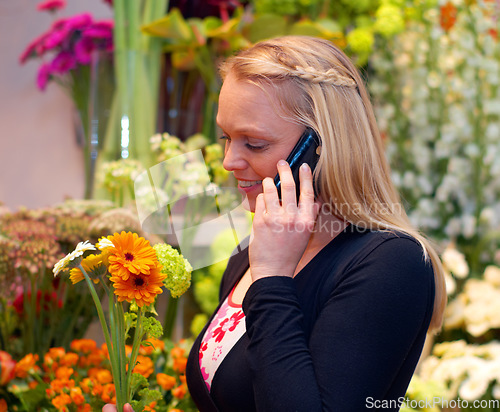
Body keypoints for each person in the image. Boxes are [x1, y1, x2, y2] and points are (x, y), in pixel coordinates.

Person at [183, 35, 447, 411]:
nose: (229, 161)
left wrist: (273, 277)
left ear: (320, 148)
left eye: (253, 144)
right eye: (226, 137)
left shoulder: (392, 265)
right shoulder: (253, 250)